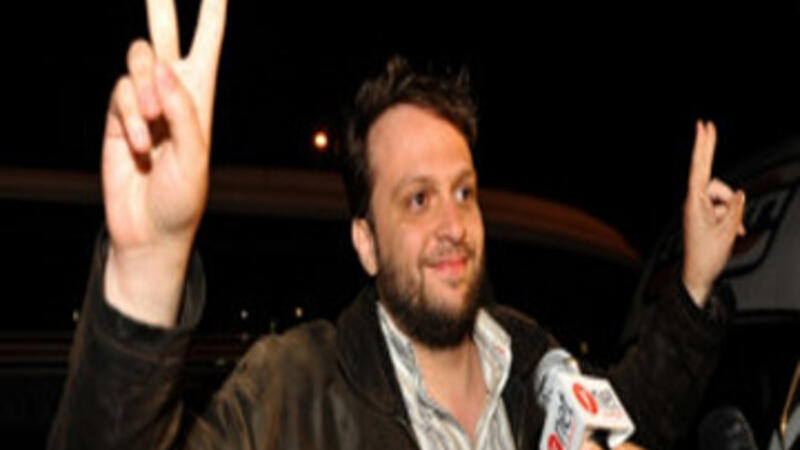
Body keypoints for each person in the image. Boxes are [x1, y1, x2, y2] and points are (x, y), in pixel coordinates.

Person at [48, 0, 748, 448]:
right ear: (366, 242)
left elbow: (636, 413)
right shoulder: (292, 392)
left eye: (463, 192)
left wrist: (694, 279)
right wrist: (150, 264)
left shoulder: (530, 357)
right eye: (417, 200)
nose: (453, 224)